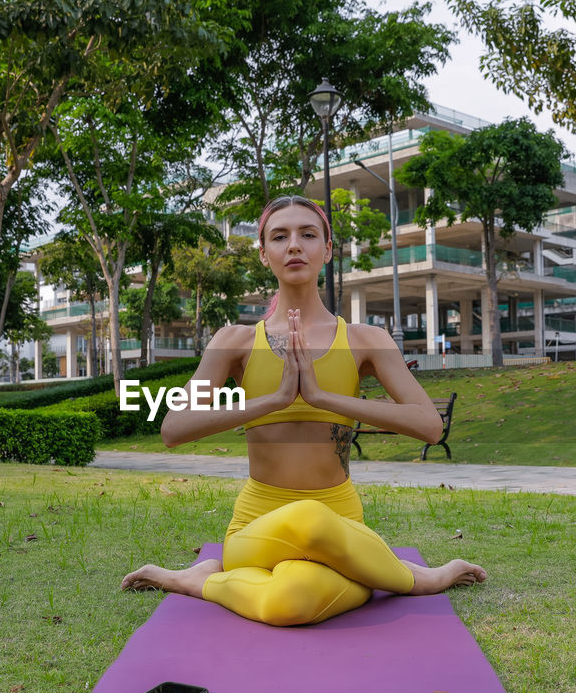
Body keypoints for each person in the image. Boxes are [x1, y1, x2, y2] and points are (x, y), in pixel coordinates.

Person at [121, 195, 486, 626]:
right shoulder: (233, 340)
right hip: (257, 529)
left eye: (308, 234)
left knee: (293, 601)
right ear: (264, 254)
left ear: (327, 251)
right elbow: (173, 428)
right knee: (310, 519)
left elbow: (428, 425)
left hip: (339, 524)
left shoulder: (366, 339)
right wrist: (273, 401)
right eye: (280, 236)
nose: (294, 245)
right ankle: (412, 578)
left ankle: (202, 580)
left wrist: (322, 398)